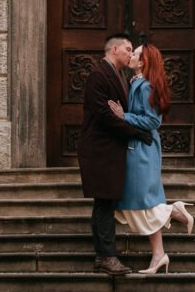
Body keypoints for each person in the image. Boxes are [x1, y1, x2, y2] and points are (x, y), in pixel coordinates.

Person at [109, 43, 194, 275]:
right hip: (136, 148)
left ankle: (170, 216)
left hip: (142, 150)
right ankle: (160, 250)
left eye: (135, 53)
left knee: (142, 203)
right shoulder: (136, 82)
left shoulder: (145, 86)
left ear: (143, 61)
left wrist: (123, 115)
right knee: (135, 204)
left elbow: (153, 121)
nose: (131, 56)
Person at [76, 33, 154, 276]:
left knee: (105, 202)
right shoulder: (99, 75)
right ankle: (107, 257)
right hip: (99, 150)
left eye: (132, 50)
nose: (131, 54)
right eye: (128, 49)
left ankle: (104, 255)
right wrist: (137, 133)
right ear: (114, 50)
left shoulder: (121, 76)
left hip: (110, 150)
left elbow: (121, 113)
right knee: (104, 201)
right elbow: (105, 116)